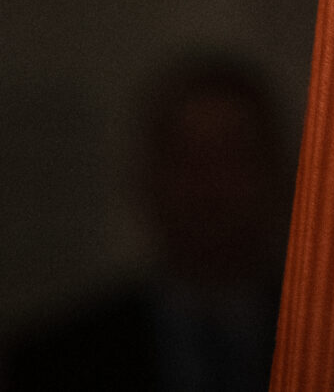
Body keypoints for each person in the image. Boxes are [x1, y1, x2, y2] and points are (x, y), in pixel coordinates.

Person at [3, 54, 290, 392]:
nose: (208, 186)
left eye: (233, 156)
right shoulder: (54, 362)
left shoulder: (331, 348)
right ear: (145, 178)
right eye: (185, 157)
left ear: (280, 176)